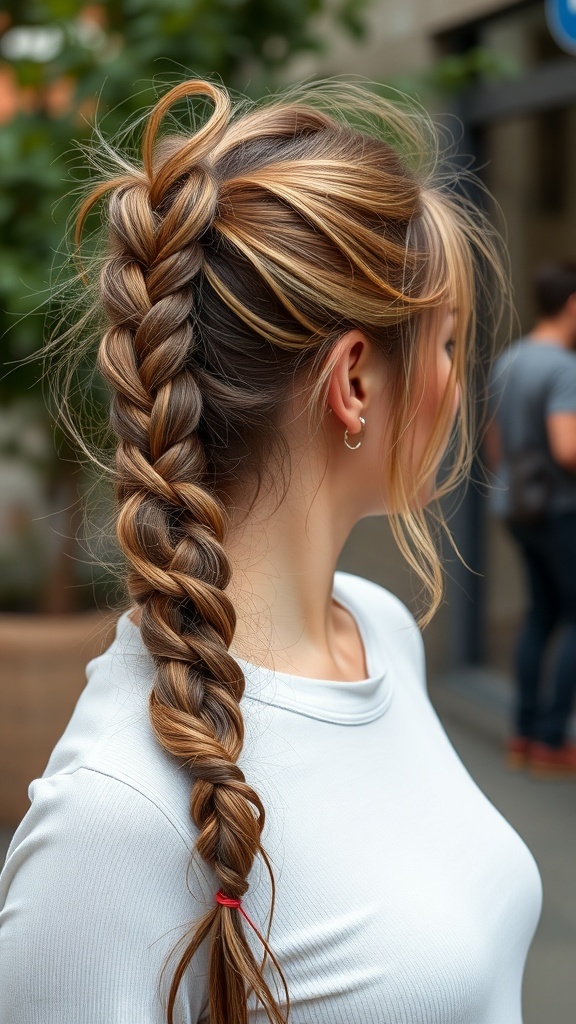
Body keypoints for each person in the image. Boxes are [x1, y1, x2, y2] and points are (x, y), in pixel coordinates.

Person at [0, 79, 542, 1024]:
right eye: (449, 345)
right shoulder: (110, 819)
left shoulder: (378, 631)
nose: (459, 385)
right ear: (354, 382)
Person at [486, 260, 576, 778]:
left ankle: (522, 733)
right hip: (559, 509)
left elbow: (495, 440)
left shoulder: (510, 359)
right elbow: (566, 447)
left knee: (541, 613)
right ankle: (550, 739)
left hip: (517, 507)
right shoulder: (564, 368)